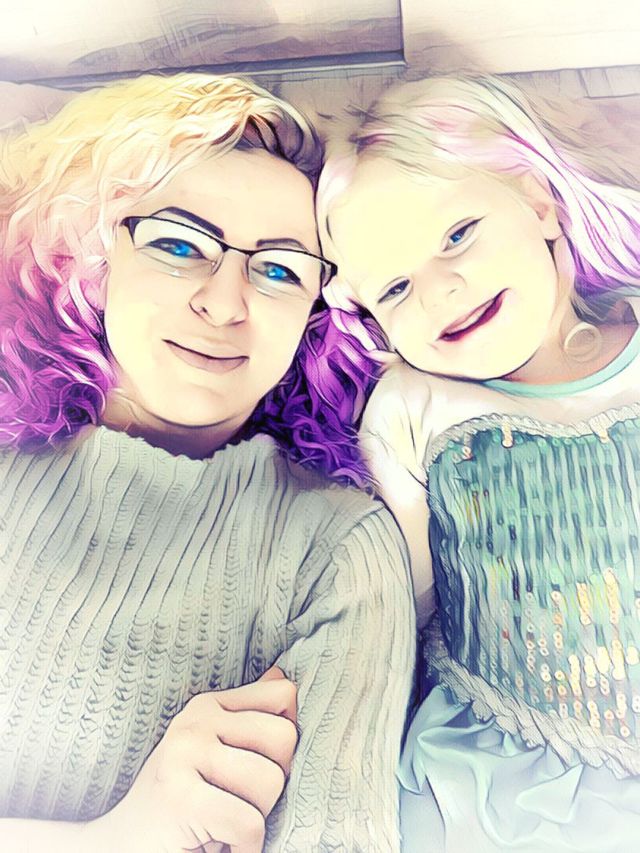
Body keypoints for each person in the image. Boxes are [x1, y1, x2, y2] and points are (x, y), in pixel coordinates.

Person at [0, 72, 415, 852]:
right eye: (178, 244)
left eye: (281, 269)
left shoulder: (337, 549)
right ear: (95, 252)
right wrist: (113, 839)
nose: (225, 304)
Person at [317, 74, 640, 852]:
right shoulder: (413, 408)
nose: (442, 290)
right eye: (396, 287)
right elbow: (398, 608)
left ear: (538, 203)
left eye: (458, 234)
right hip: (497, 775)